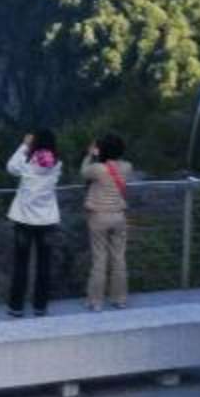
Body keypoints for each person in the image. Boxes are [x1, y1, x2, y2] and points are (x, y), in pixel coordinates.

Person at [4, 129, 60, 318]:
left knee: (21, 264)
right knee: (44, 265)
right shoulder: (57, 164)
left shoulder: (25, 163)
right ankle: (40, 307)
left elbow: (10, 167)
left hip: (24, 221)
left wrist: (24, 145)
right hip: (47, 221)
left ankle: (16, 307)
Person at [80, 133, 132, 311]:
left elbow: (83, 172)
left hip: (99, 217)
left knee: (100, 259)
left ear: (101, 149)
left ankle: (96, 302)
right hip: (119, 216)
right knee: (119, 258)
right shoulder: (127, 167)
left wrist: (90, 155)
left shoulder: (96, 169)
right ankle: (120, 299)